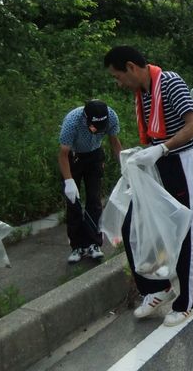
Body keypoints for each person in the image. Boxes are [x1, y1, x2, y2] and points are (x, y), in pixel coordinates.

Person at [104, 45, 193, 327]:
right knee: (133, 225)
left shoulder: (170, 82)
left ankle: (187, 301)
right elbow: (155, 134)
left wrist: (161, 150)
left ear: (131, 68)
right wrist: (145, 153)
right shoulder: (144, 93)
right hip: (159, 162)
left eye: (118, 76)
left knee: (187, 230)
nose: (118, 83)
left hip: (182, 162)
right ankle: (156, 288)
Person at [58, 99, 122, 264]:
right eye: (94, 127)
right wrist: (68, 181)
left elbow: (114, 142)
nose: (97, 130)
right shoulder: (72, 121)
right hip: (73, 157)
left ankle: (94, 243)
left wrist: (124, 165)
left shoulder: (111, 116)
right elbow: (63, 154)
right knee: (74, 203)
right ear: (86, 118)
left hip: (94, 156)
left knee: (94, 200)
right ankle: (77, 246)